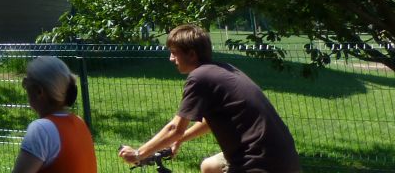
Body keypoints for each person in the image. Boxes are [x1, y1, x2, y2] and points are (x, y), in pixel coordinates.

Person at [119, 24, 301, 173]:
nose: (171, 58)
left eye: (174, 53)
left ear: (191, 54)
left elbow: (175, 128)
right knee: (210, 167)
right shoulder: (222, 69)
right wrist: (180, 140)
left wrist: (138, 153)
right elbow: (208, 122)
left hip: (258, 164)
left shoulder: (200, 77)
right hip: (284, 158)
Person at [13, 56, 98, 173]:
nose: (25, 87)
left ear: (39, 91)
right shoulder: (79, 122)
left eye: (26, 82)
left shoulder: (41, 129)